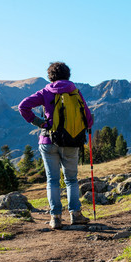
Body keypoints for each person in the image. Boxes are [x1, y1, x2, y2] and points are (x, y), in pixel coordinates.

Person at [18, 62, 94, 229]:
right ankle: (76, 215)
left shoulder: (45, 92)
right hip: (71, 142)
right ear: (68, 75)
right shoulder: (75, 92)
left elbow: (23, 106)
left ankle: (55, 218)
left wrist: (40, 123)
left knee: (52, 180)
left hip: (48, 141)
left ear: (50, 76)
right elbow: (88, 118)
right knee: (71, 180)